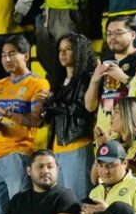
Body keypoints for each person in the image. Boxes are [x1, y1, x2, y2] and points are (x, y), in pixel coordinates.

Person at [0, 35, 49, 214]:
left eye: (12, 54)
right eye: (3, 55)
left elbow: (36, 120)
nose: (6, 59)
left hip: (18, 155)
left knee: (18, 213)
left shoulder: (38, 84)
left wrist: (10, 114)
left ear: (26, 56)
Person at [34, 32, 97, 201]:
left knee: (78, 201)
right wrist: (45, 107)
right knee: (63, 203)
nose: (62, 53)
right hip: (56, 148)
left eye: (68, 49)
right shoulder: (57, 81)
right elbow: (50, 117)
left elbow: (82, 109)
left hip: (77, 145)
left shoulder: (86, 78)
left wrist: (52, 104)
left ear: (79, 52)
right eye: (60, 49)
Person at [85, 16, 136, 138]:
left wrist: (123, 77)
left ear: (133, 35)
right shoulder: (105, 61)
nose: (112, 37)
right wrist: (94, 81)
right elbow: (90, 106)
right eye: (109, 33)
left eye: (118, 33)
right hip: (103, 134)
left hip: (131, 134)